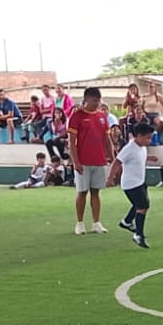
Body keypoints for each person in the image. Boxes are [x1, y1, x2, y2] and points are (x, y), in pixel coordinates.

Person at [70, 86, 113, 234]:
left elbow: (107, 139)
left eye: (98, 101)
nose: (97, 104)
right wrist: (75, 161)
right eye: (94, 100)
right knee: (82, 192)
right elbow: (71, 141)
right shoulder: (77, 116)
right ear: (86, 99)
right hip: (83, 161)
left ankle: (96, 222)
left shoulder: (102, 117)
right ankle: (80, 223)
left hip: (99, 160)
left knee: (96, 192)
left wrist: (112, 157)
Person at [110, 122, 154, 249]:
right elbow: (117, 162)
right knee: (143, 206)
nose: (150, 140)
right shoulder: (129, 148)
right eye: (148, 137)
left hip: (140, 181)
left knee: (139, 204)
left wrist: (150, 158)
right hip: (131, 184)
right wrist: (110, 178)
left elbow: (139, 158)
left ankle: (127, 222)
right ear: (139, 136)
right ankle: (138, 235)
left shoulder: (142, 147)